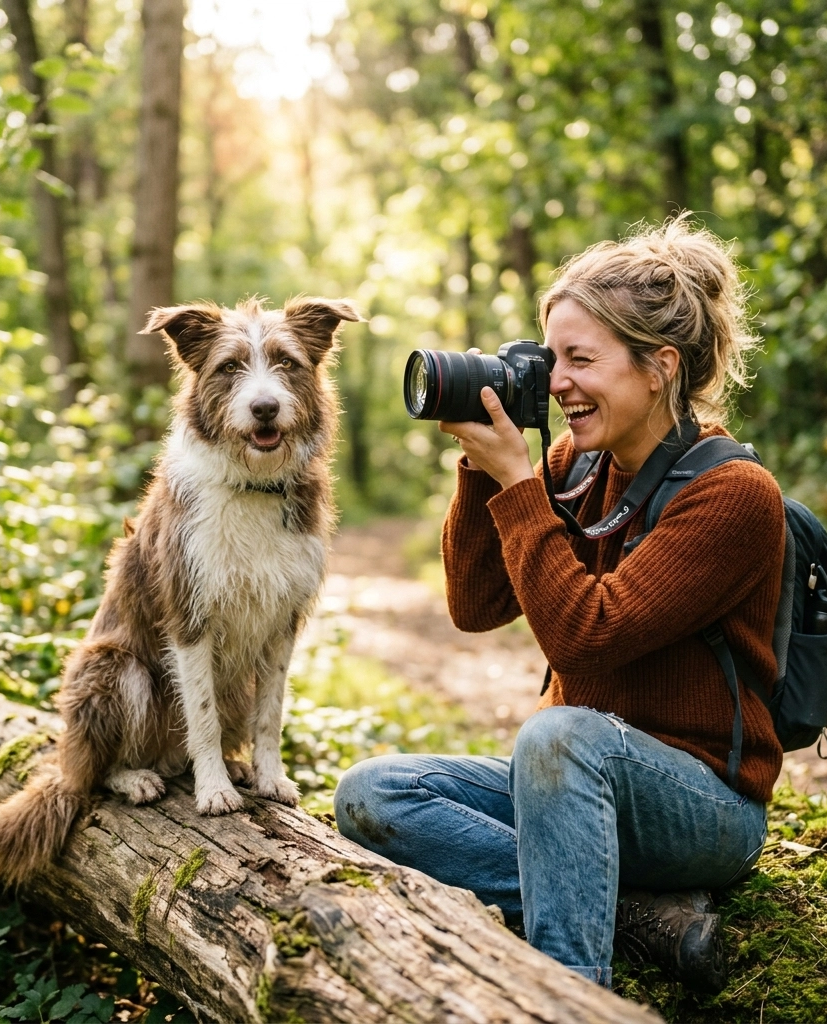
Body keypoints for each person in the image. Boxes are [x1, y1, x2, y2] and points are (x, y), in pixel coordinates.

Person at [334, 218, 786, 992]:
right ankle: (635, 914)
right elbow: (476, 607)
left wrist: (517, 485)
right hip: (573, 785)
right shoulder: (576, 464)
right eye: (551, 359)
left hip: (704, 809)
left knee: (558, 736)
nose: (556, 381)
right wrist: (483, 469)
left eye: (581, 359)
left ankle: (568, 992)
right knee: (374, 793)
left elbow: (587, 636)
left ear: (659, 368)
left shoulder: (735, 495)